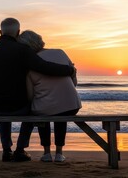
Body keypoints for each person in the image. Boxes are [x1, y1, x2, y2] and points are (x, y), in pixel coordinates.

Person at [0, 18, 76, 162]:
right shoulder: (22, 50)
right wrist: (69, 69)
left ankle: (6, 150)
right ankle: (20, 150)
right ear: (18, 33)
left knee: (2, 106)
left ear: (0, 32)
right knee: (32, 109)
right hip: (17, 107)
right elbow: (44, 67)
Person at [17, 30, 82, 162]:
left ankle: (46, 153)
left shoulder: (31, 64)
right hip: (72, 105)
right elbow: (74, 81)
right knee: (60, 113)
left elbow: (30, 96)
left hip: (46, 109)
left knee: (42, 111)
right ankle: (59, 153)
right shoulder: (61, 52)